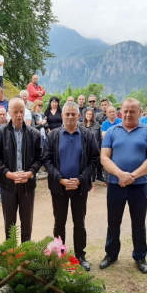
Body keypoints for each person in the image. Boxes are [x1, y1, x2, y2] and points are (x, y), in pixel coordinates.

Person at [99, 98, 147, 274]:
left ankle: (140, 257)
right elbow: (104, 158)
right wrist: (120, 175)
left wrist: (133, 176)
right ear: (120, 111)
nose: (128, 114)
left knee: (139, 223)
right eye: (125, 110)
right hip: (115, 185)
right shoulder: (111, 131)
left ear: (140, 113)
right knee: (113, 222)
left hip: (139, 185)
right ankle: (111, 255)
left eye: (132, 111)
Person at [42, 101, 100, 271]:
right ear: (62, 115)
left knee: (79, 222)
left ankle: (80, 256)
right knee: (59, 223)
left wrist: (81, 179)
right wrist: (60, 179)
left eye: (73, 114)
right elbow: (47, 160)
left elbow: (94, 159)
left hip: (80, 188)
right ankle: (59, 255)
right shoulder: (53, 136)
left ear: (79, 116)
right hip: (59, 187)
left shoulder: (88, 135)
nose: (70, 117)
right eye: (67, 114)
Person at [0, 98, 42, 243]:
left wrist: (30, 173)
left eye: (21, 111)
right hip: (8, 185)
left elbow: (39, 159)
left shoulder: (34, 133)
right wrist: (8, 174)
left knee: (27, 222)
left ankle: (26, 254)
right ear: (9, 113)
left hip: (27, 185)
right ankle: (10, 253)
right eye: (15, 112)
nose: (19, 115)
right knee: (9, 223)